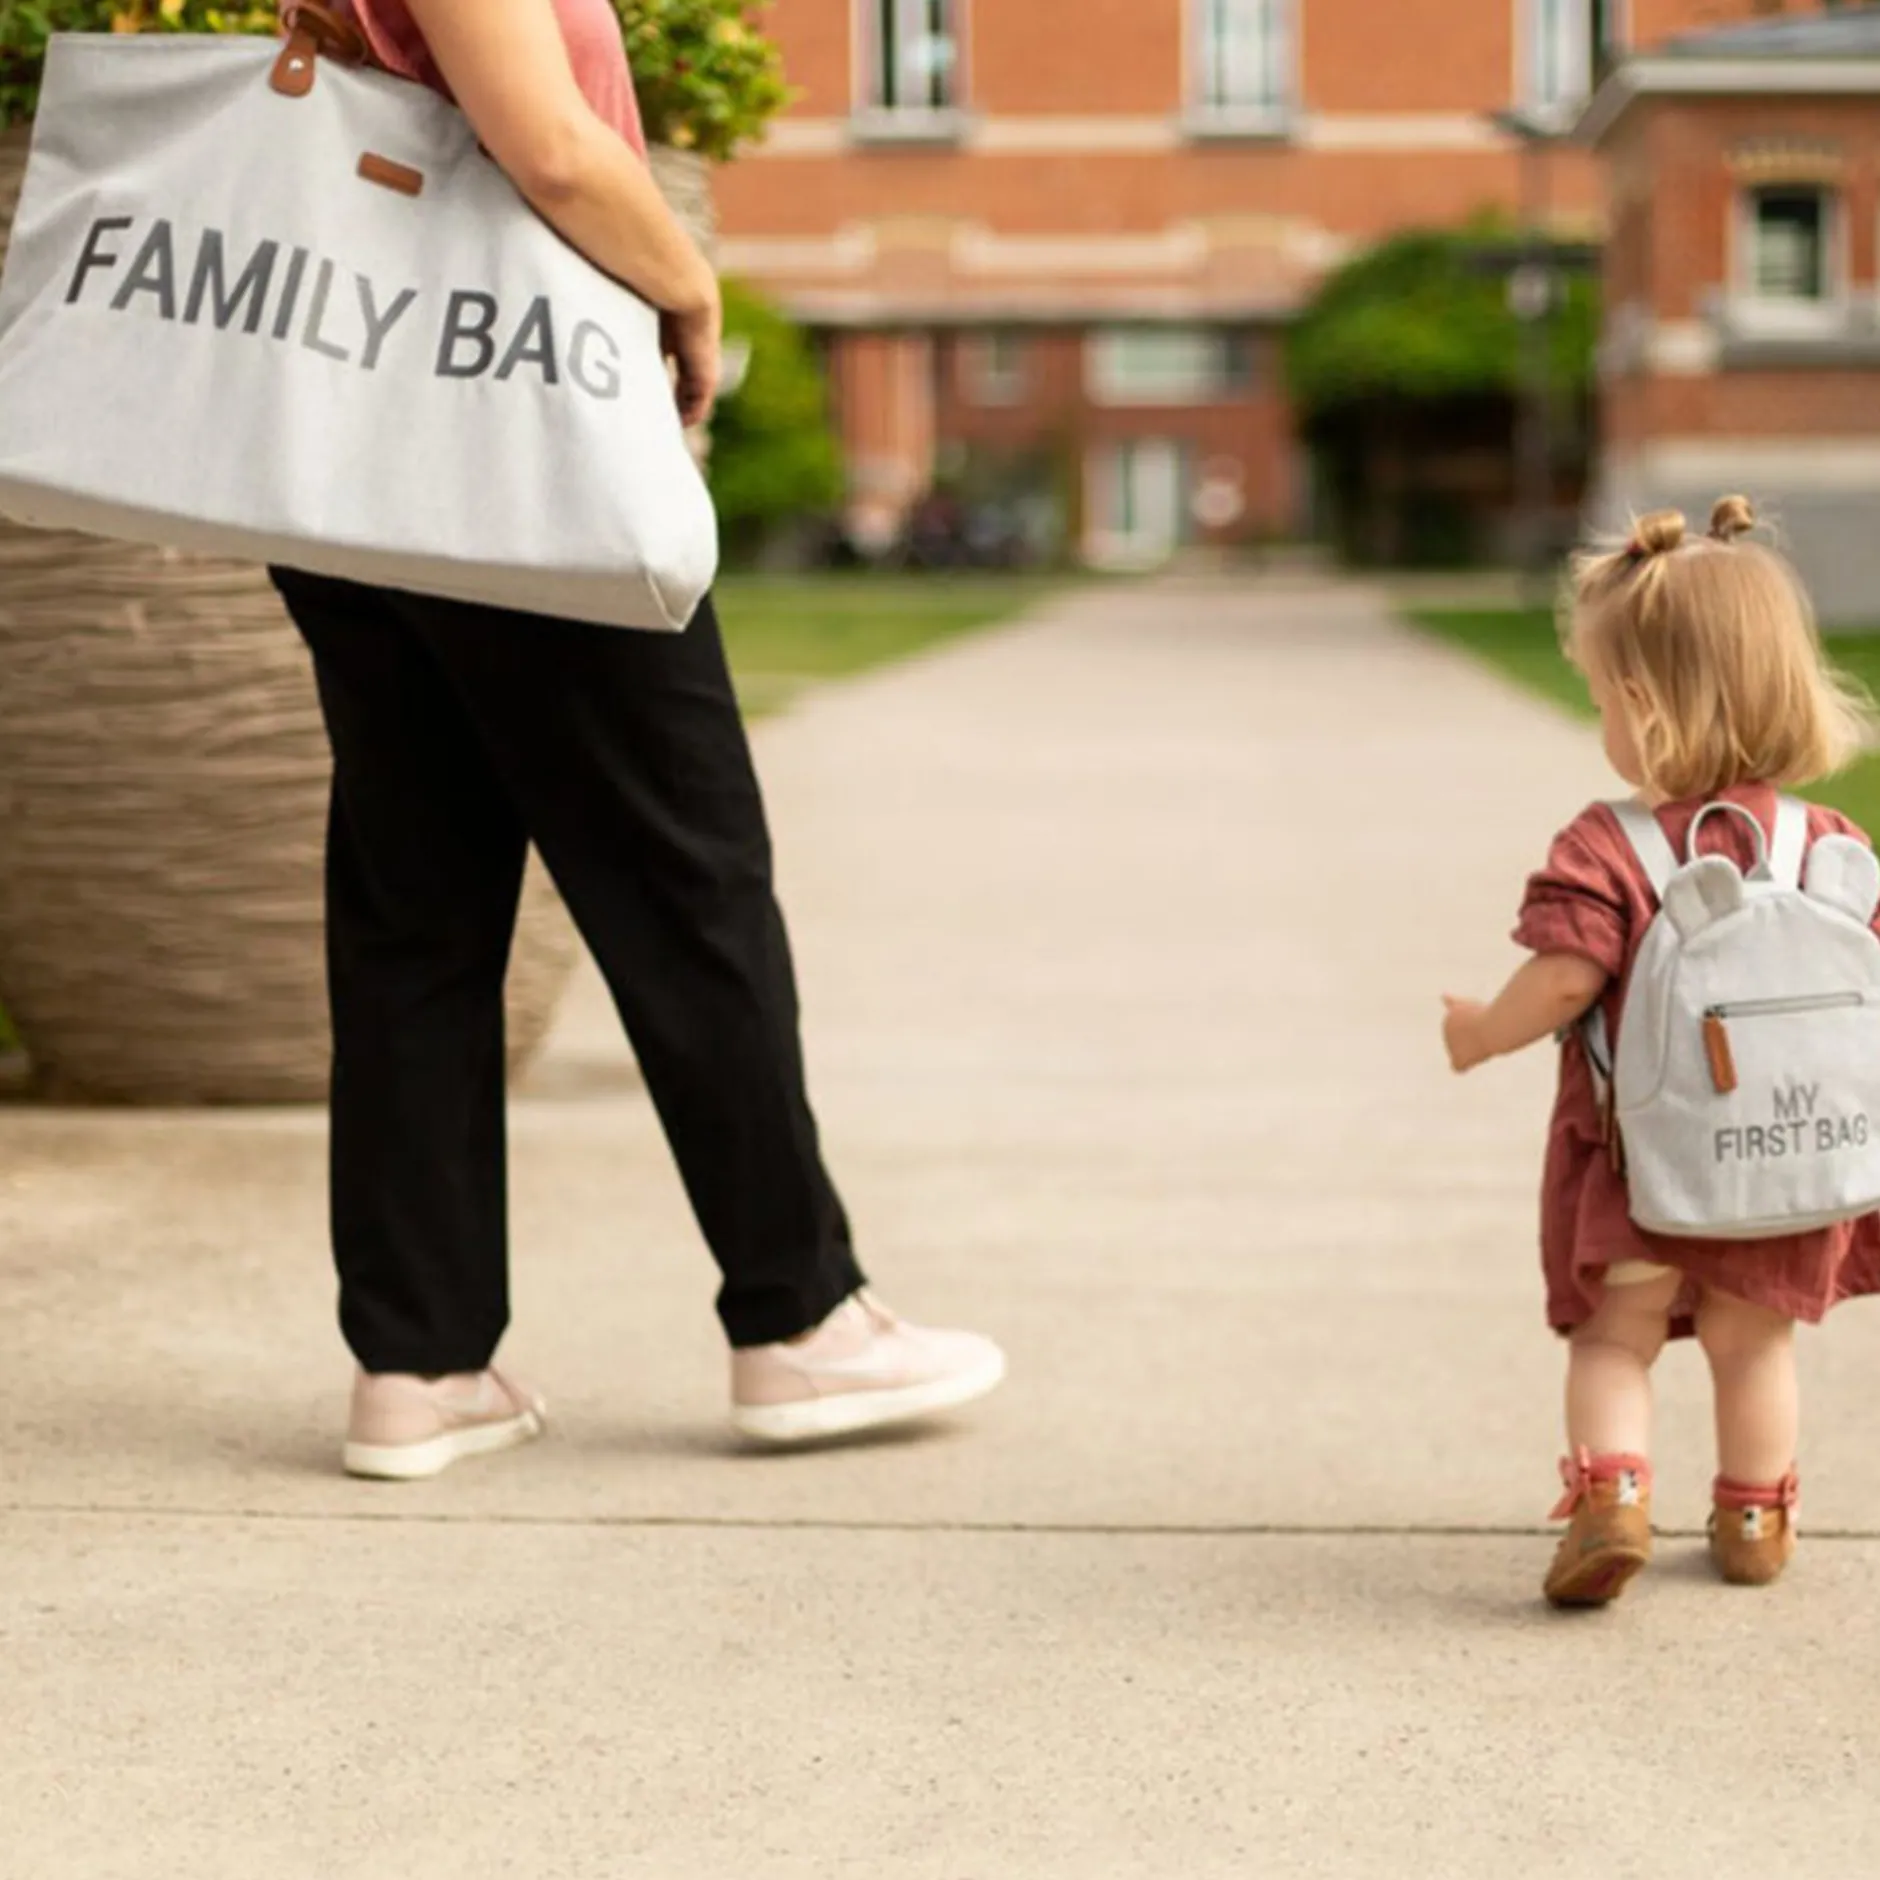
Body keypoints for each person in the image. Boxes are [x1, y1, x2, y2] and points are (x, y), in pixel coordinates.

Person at [270, 0, 1005, 1480]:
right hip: (519, 444)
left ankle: (419, 1360)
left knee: (417, 902)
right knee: (690, 881)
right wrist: (688, 287)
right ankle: (800, 1316)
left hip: (359, 433)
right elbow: (547, 145)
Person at [1441, 495, 1880, 1605]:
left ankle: (1612, 1500)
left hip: (1642, 1172)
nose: (1600, 718)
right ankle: (1754, 1515)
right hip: (1783, 1165)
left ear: (1640, 704)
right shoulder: (1826, 845)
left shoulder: (1608, 845)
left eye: (1600, 697)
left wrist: (1480, 1033)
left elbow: (1563, 979)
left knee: (1612, 1338)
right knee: (1754, 1345)